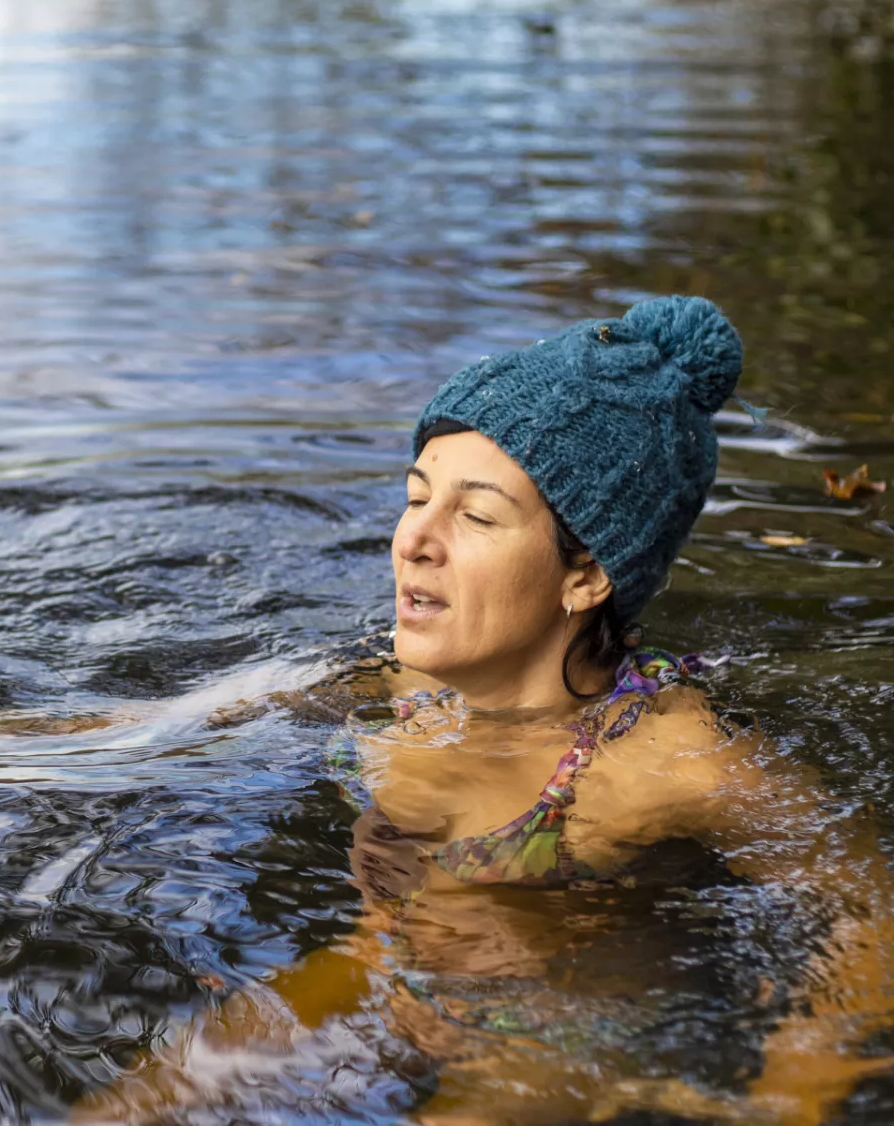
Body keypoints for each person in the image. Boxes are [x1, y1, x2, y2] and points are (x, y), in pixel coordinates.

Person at [72, 295, 894, 1126]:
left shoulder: (663, 759)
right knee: (126, 1111)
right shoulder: (393, 684)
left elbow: (868, 912)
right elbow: (149, 728)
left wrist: (794, 1091)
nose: (413, 539)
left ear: (587, 575)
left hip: (558, 1031)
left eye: (474, 514)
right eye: (415, 494)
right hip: (379, 966)